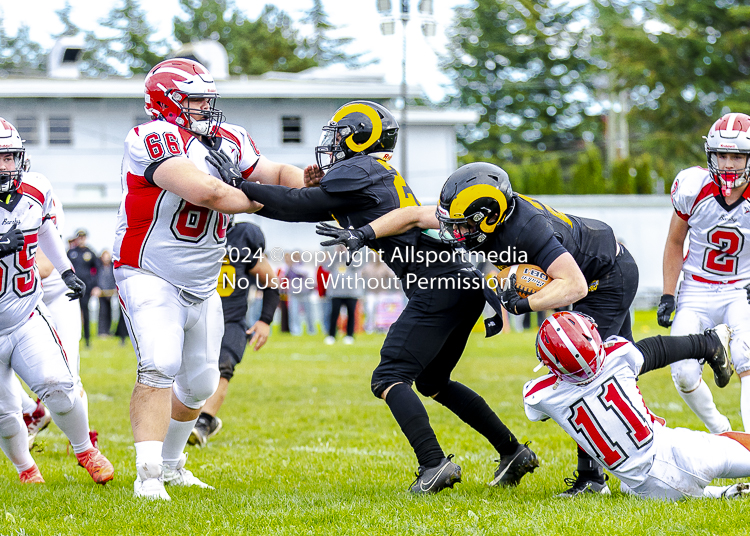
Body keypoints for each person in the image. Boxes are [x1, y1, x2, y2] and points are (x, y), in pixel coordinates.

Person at [335, 161, 733, 497]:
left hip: (604, 277)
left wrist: (523, 304)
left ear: (490, 217)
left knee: (590, 370)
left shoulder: (529, 230)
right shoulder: (487, 218)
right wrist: (362, 234)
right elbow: (414, 215)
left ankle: (593, 479)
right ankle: (706, 343)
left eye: (462, 226)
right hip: (587, 270)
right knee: (619, 365)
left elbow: (573, 285)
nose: (454, 233)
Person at [237, 101, 537, 494]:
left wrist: (238, 184)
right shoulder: (372, 171)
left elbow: (297, 208)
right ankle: (511, 451)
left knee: (390, 376)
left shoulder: (359, 169)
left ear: (361, 138)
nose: (332, 144)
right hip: (457, 282)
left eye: (339, 136)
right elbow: (322, 208)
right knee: (432, 380)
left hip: (437, 284)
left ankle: (433, 464)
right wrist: (312, 190)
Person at [115, 58, 309, 500]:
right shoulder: (151, 136)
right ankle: (146, 476)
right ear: (167, 103)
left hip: (202, 281)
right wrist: (275, 202)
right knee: (159, 364)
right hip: (149, 271)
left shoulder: (229, 138)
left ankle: (171, 465)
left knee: (201, 382)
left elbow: (277, 173)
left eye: (207, 98)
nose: (206, 106)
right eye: (196, 99)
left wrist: (312, 188)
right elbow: (210, 192)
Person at [525, 311, 750, 500]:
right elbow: (654, 349)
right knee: (732, 444)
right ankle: (719, 490)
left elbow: (543, 403)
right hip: (683, 454)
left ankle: (722, 493)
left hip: (645, 489)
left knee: (632, 486)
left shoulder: (539, 396)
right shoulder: (619, 354)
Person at [0, 117, 113, 484]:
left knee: (60, 384)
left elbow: (46, 228)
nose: (7, 166)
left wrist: (66, 270)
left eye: (10, 157)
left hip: (23, 312)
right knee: (4, 414)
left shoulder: (35, 188)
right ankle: (26, 470)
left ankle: (85, 449)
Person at [658, 112, 750, 434]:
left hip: (740, 289)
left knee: (747, 356)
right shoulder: (692, 186)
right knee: (682, 371)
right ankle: (723, 433)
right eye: (722, 155)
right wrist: (669, 294)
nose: (727, 164)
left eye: (737, 156)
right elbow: (674, 241)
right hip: (696, 288)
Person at [188, 220, 280, 447]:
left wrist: (265, 320)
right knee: (185, 373)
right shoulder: (188, 234)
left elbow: (270, 281)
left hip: (231, 320)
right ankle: (185, 420)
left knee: (224, 365)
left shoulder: (243, 236)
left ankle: (204, 422)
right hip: (194, 317)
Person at [32, 193, 99, 449]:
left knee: (68, 375)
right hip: (19, 300)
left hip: (56, 295)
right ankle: (32, 412)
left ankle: (84, 443)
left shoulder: (36, 197)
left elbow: (45, 266)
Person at [324, 245, 363, 345]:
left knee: (351, 314)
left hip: (351, 292)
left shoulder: (351, 256)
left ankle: (349, 335)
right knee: (334, 314)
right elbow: (326, 267)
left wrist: (347, 253)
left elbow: (357, 265)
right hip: (336, 292)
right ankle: (331, 335)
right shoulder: (334, 258)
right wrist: (336, 254)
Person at [66, 229, 98, 347]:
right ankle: (73, 337)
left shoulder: (90, 253)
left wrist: (95, 285)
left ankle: (87, 339)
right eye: (79, 237)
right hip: (72, 287)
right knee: (72, 314)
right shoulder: (71, 252)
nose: (81, 239)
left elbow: (96, 270)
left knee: (86, 312)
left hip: (86, 288)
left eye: (83, 237)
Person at [95, 250, 117, 336]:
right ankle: (102, 331)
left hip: (110, 293)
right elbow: (98, 279)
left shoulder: (112, 268)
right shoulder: (99, 268)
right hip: (102, 293)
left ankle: (108, 330)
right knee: (102, 312)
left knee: (110, 312)